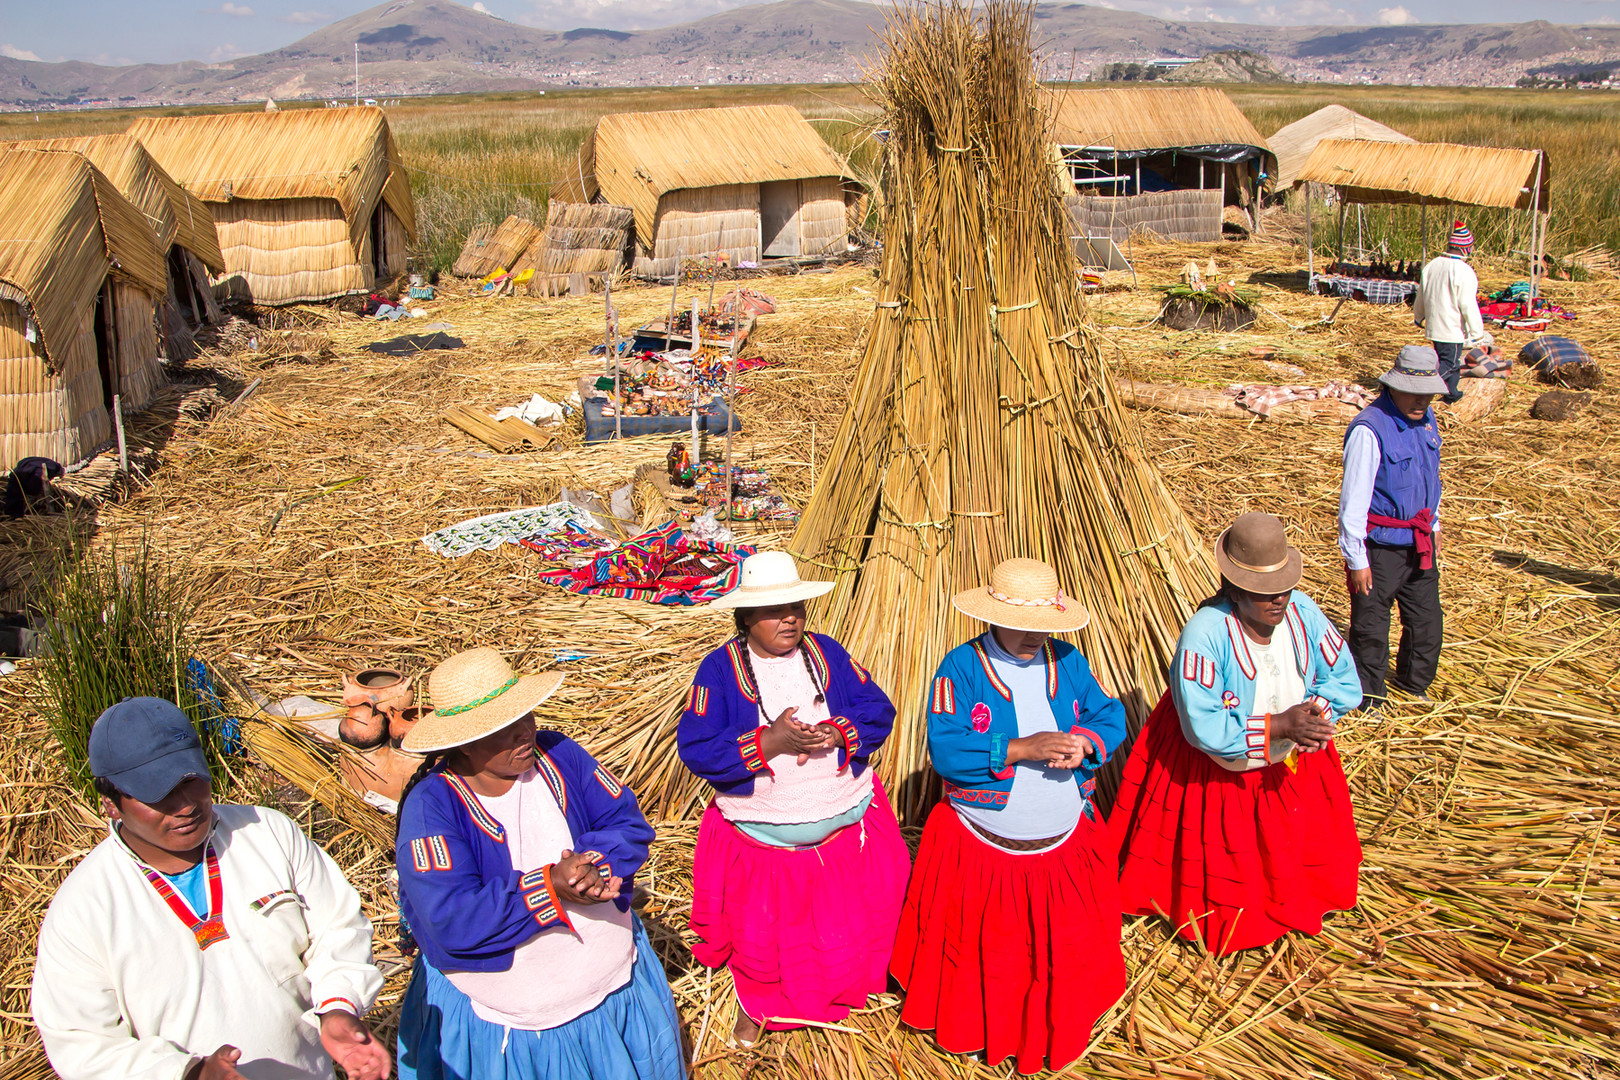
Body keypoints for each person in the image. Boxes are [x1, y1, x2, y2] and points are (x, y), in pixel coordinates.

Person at [33, 697, 390, 1080]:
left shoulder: (267, 834)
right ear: (111, 805)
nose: (185, 805)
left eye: (191, 780)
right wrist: (189, 1073)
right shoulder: (85, 908)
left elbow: (339, 928)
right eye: (159, 793)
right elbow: (83, 1044)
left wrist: (337, 1007)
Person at [393, 647, 683, 1080]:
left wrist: (595, 865)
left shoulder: (559, 755)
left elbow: (624, 821)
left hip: (615, 987)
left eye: (524, 717)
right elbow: (450, 918)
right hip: (518, 1030)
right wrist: (549, 887)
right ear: (463, 744)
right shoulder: (432, 808)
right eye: (501, 729)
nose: (524, 734)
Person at [890, 557, 1127, 1076]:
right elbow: (948, 749)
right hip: (983, 844)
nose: (1035, 637)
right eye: (1024, 626)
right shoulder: (962, 668)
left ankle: (1054, 1024)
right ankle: (980, 1030)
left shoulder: (1067, 661)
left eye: (1044, 626)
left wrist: (1085, 743)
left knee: (1055, 955)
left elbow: (1109, 714)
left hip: (1062, 842)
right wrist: (1021, 748)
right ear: (992, 616)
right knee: (988, 958)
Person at [678, 551, 909, 1047]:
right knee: (766, 935)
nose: (790, 617)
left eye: (797, 606)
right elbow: (697, 747)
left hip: (847, 828)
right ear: (744, 619)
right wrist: (769, 743)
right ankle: (760, 1005)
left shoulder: (826, 653)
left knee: (854, 923)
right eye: (773, 610)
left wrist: (835, 731)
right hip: (767, 841)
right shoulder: (718, 671)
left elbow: (877, 708)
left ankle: (858, 983)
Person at [1110, 513, 1364, 955]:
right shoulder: (1205, 635)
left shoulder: (1303, 612)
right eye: (1265, 593)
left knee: (1295, 841)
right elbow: (1205, 725)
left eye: (1283, 587)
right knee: (1232, 859)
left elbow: (1343, 677)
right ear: (1233, 589)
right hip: (1219, 769)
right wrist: (1281, 725)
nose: (1278, 600)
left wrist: (1312, 719)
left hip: (1293, 758)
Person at [1340, 347, 1447, 704]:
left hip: (1419, 541)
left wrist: (1435, 524)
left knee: (1427, 621)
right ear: (1393, 387)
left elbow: (1430, 476)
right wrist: (1357, 560)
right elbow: (1352, 502)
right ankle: (1369, 697)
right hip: (1380, 546)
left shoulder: (1426, 418)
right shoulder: (1370, 430)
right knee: (1371, 625)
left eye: (1428, 394)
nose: (1422, 401)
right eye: (1414, 394)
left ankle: (1413, 685)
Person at [1412, 220, 1485, 403]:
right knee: (1450, 363)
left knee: (1449, 361)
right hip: (1451, 328)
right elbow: (1468, 304)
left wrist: (1419, 316)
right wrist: (1477, 333)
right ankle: (1420, 387)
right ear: (1465, 248)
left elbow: (1421, 294)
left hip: (1434, 326)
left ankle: (1451, 394)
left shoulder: (1432, 265)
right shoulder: (1463, 271)